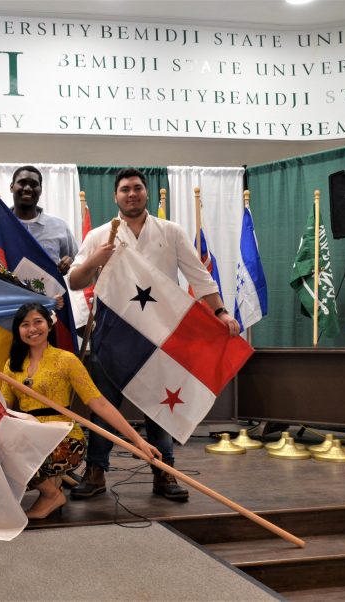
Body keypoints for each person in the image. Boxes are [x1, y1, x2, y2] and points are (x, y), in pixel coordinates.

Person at [67, 167, 241, 502]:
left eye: (137, 188)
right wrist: (96, 261)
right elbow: (75, 281)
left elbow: (199, 276)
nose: (131, 194)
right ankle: (96, 470)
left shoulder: (171, 231)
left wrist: (219, 311)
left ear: (146, 193)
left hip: (160, 334)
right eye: (124, 190)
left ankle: (165, 473)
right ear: (115, 196)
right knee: (105, 403)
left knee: (161, 405)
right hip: (113, 332)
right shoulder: (100, 235)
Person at [0, 302, 161, 519]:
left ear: (49, 325)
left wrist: (138, 441)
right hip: (28, 435)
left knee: (24, 460)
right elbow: (2, 407)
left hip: (64, 438)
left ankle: (51, 493)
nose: (32, 329)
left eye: (38, 322)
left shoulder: (66, 360)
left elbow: (100, 403)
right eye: (25, 324)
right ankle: (51, 491)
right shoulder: (12, 365)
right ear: (18, 330)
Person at [8, 166, 78, 275]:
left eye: (34, 184)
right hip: (6, 292)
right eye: (22, 183)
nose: (27, 188)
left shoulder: (60, 227)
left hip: (49, 292)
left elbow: (78, 264)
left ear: (40, 190)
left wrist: (70, 263)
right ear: (11, 187)